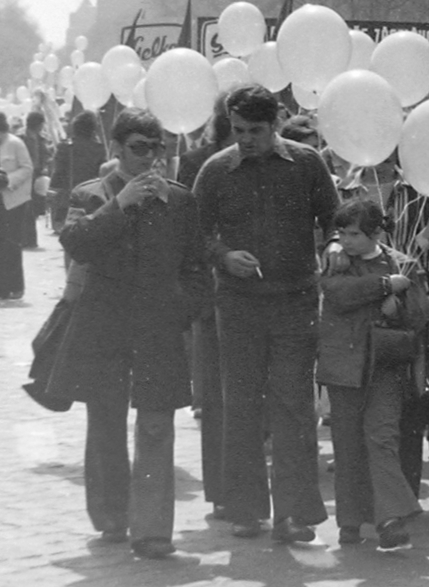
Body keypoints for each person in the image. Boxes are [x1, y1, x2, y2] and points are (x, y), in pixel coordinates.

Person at [45, 109, 209, 558]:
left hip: (158, 327)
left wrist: (182, 309)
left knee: (157, 424)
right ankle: (112, 516)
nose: (151, 158)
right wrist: (120, 205)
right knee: (106, 422)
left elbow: (196, 267)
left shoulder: (179, 201)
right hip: (105, 326)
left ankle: (153, 529)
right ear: (116, 149)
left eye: (158, 148)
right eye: (140, 148)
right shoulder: (89, 193)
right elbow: (76, 241)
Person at [193, 83, 341, 543]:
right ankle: (246, 509)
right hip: (237, 306)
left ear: (276, 122)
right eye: (238, 130)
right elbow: (194, 235)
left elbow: (334, 218)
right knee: (241, 406)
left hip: (295, 302)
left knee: (294, 408)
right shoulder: (216, 170)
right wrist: (223, 255)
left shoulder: (307, 164)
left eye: (256, 130)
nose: (246, 139)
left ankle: (294, 514)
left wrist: (334, 245)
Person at [318, 199, 429, 549]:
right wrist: (384, 287)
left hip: (385, 366)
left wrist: (400, 306)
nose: (347, 241)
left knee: (382, 439)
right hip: (345, 365)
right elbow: (336, 294)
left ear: (377, 233)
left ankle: (390, 519)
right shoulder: (337, 261)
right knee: (348, 444)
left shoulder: (404, 264)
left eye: (354, 234)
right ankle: (350, 521)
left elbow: (423, 315)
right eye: (342, 233)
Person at [176, 97, 231, 518]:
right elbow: (191, 227)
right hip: (214, 290)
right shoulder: (199, 161)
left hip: (261, 290)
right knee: (216, 395)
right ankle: (223, 489)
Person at [52, 111, 106, 232]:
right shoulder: (99, 149)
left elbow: (58, 172)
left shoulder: (64, 147)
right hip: (92, 196)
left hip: (69, 195)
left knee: (68, 234)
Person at [0, 114, 34, 301]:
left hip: (13, 201)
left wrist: (9, 180)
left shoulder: (15, 144)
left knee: (11, 244)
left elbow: (28, 168)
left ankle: (15, 287)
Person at [22, 111, 51, 250]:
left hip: (37, 176)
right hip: (23, 176)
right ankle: (27, 240)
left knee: (33, 208)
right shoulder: (21, 137)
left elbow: (45, 155)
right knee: (25, 208)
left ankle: (29, 240)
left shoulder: (41, 138)